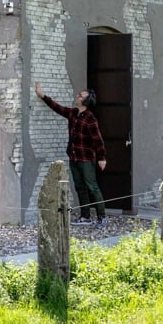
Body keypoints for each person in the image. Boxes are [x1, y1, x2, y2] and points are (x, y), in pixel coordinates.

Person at [35, 81, 107, 226]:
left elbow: (98, 140)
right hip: (74, 157)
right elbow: (58, 108)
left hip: (86, 159)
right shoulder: (73, 113)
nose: (77, 96)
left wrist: (102, 158)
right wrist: (42, 96)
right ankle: (85, 217)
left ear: (85, 101)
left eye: (80, 96)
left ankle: (102, 217)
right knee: (79, 187)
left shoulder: (90, 119)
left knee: (92, 187)